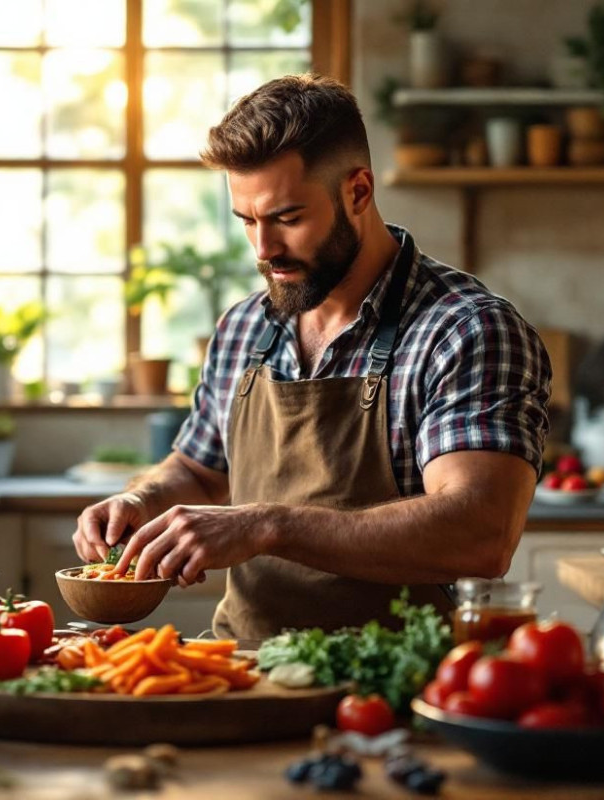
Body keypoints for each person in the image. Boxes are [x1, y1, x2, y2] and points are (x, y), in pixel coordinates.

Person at [72, 74, 552, 643]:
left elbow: (480, 534)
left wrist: (268, 525)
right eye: (247, 221)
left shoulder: (466, 330)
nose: (264, 249)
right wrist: (141, 500)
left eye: (287, 218)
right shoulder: (244, 327)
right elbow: (199, 472)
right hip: (243, 671)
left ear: (358, 192)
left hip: (397, 680)